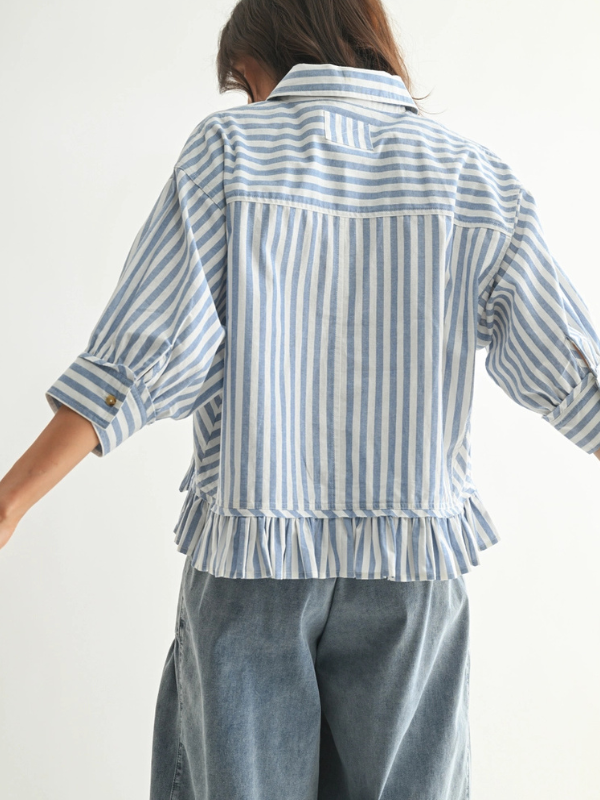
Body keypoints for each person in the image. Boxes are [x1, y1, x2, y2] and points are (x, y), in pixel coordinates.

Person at [2, 0, 600, 798]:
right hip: (411, 561)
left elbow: (143, 352)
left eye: (242, 83)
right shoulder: (471, 176)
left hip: (253, 557)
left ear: (259, 58)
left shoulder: (231, 151)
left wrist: (11, 500)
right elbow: (573, 369)